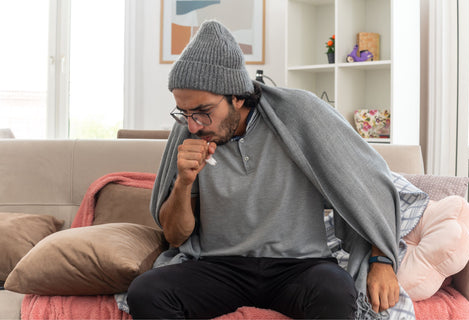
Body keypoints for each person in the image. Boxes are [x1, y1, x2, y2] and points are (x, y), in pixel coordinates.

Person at [127, 20, 400, 320]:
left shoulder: (299, 114)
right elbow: (175, 236)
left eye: (203, 112)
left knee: (337, 292)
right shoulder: (190, 133)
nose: (193, 125)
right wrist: (182, 182)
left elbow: (370, 180)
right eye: (185, 112)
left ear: (237, 96)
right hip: (220, 268)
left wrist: (382, 259)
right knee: (145, 293)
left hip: (300, 267)